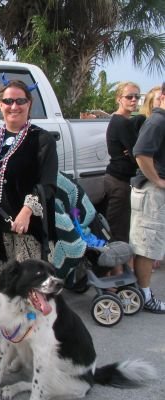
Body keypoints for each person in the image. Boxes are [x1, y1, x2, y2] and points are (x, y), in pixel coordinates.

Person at [0, 79, 58, 352]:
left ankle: (34, 336)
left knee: (32, 285)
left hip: (28, 228)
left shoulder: (41, 139)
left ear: (29, 104)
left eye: (20, 100)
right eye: (8, 101)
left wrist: (26, 210)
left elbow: (47, 181)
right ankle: (2, 333)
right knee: (2, 283)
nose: (14, 106)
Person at [129, 81, 165, 314]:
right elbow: (140, 153)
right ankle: (144, 295)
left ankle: (144, 291)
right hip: (152, 192)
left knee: (151, 244)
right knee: (145, 246)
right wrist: (158, 180)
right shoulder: (158, 120)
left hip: (156, 192)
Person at [104, 82, 141, 243]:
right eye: (129, 97)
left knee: (118, 225)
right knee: (119, 229)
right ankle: (118, 269)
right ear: (119, 99)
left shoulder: (121, 120)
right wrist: (134, 153)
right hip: (120, 181)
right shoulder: (122, 122)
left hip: (116, 179)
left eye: (137, 97)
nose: (134, 100)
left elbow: (133, 151)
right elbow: (138, 154)